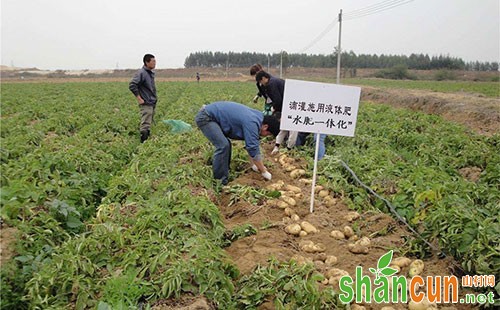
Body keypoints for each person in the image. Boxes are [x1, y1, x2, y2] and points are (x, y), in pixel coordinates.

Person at [195, 101, 280, 185]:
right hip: (206, 117)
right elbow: (252, 147)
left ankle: (223, 173)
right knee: (223, 145)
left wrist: (254, 164)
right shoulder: (252, 122)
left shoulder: (259, 119)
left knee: (226, 144)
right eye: (268, 134)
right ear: (265, 127)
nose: (265, 136)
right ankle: (220, 182)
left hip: (213, 116)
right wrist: (264, 171)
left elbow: (251, 143)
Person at [255, 70, 299, 154]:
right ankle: (278, 146)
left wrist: (274, 108)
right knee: (285, 126)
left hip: (292, 106)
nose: (261, 84)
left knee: (292, 128)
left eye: (261, 81)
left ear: (264, 78)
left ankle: (289, 149)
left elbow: (278, 100)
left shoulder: (271, 84)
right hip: (287, 106)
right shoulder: (273, 81)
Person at [129, 54, 157, 143]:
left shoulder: (149, 73)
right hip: (146, 102)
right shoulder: (142, 73)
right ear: (146, 62)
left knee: (148, 123)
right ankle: (143, 146)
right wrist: (139, 98)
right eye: (153, 61)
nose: (155, 63)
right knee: (145, 124)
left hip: (151, 102)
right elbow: (132, 85)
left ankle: (147, 142)